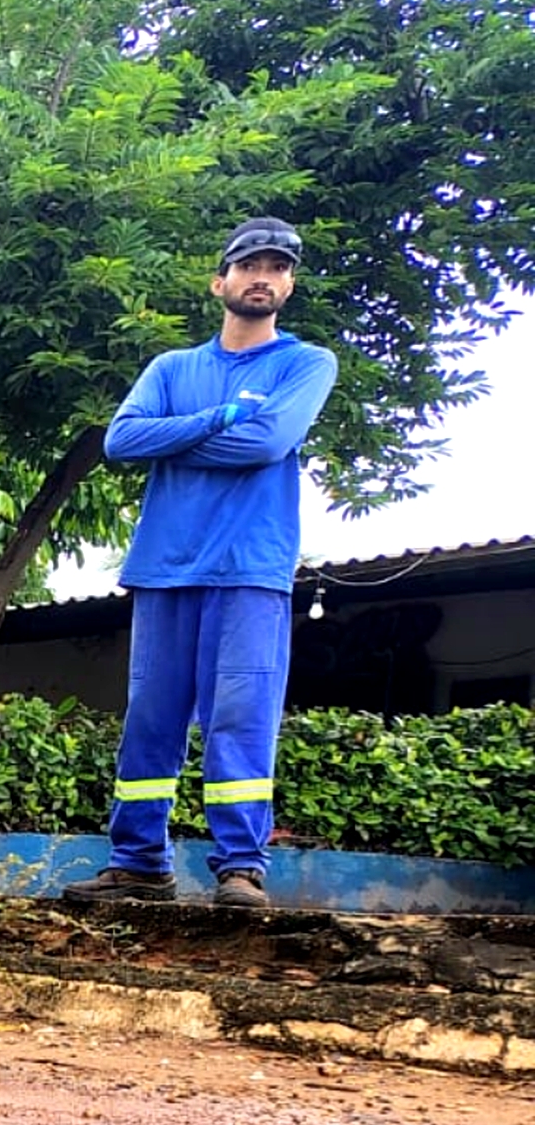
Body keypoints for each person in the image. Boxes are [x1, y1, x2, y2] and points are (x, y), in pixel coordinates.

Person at [65, 217, 337, 911]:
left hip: (251, 571)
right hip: (164, 567)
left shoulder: (306, 363)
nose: (263, 277)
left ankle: (240, 869)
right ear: (221, 282)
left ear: (289, 286)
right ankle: (138, 865)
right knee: (150, 722)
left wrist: (177, 440)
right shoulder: (171, 368)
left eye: (278, 268)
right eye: (251, 265)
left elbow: (268, 442)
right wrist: (219, 419)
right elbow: (123, 440)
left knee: (240, 720)